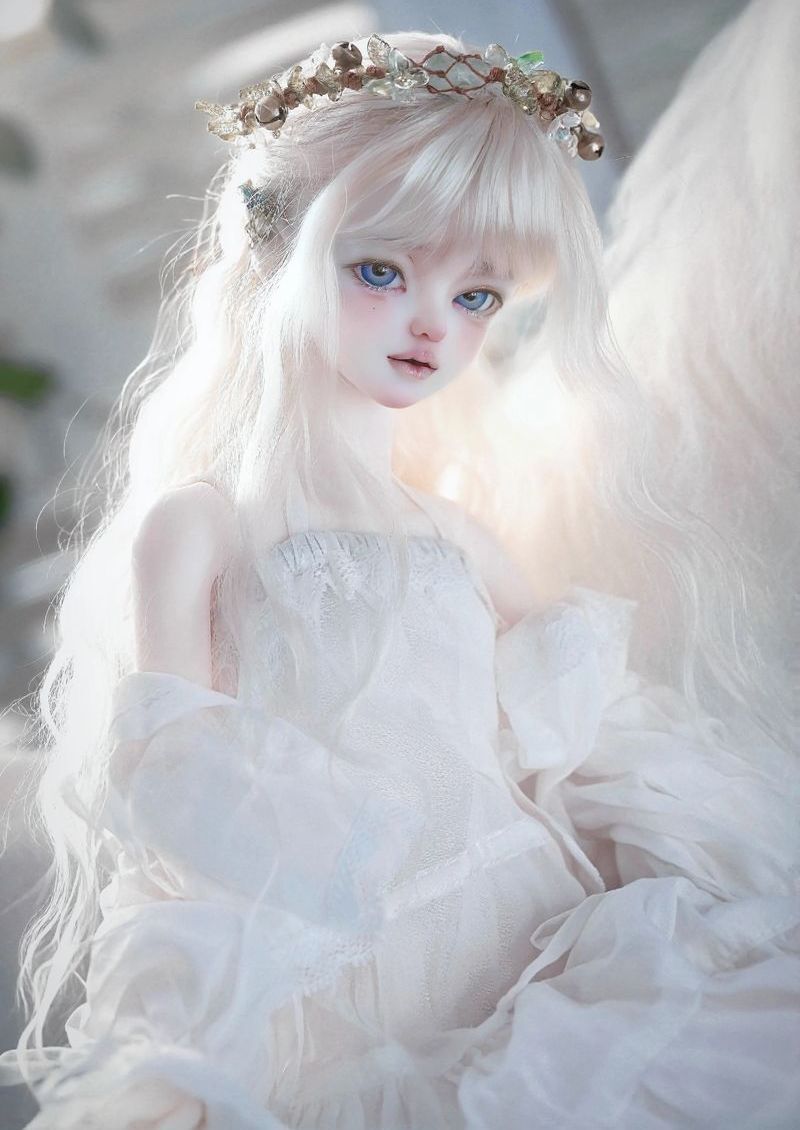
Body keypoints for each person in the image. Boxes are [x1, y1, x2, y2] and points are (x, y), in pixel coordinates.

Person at [1, 23, 797, 1130]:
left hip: (533, 940)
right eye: (381, 270)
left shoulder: (456, 536)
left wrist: (676, 867)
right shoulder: (201, 527)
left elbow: (587, 741)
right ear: (275, 259)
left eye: (478, 296)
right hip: (353, 987)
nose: (432, 323)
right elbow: (174, 790)